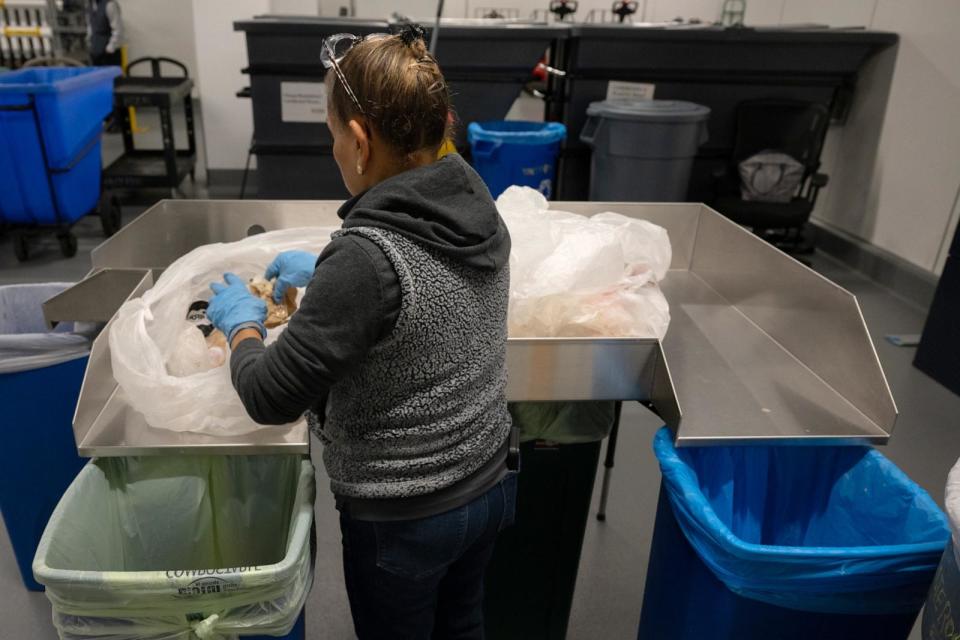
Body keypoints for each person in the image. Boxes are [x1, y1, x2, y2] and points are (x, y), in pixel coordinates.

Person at [205, 24, 516, 640]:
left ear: (359, 140)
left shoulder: (366, 261)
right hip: (490, 482)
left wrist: (242, 326)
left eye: (332, 138)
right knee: (463, 625)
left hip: (406, 516)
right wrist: (327, 277)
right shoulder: (475, 201)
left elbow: (270, 397)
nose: (333, 153)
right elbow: (415, 303)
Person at [86, 0, 123, 67]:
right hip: (95, 52)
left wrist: (110, 47)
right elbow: (91, 26)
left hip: (109, 54)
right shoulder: (90, 5)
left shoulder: (110, 4)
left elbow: (117, 29)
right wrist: (90, 42)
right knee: (98, 76)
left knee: (112, 76)